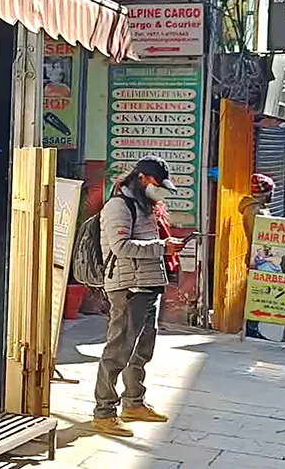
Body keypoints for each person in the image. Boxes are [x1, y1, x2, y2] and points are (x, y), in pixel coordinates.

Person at [92, 156, 183, 438]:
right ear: (142, 178)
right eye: (158, 183)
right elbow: (120, 246)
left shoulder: (145, 206)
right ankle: (104, 411)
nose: (160, 190)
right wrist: (161, 247)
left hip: (148, 285)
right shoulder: (119, 206)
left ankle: (134, 402)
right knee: (118, 349)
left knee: (141, 350)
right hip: (127, 287)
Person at [242, 174, 275, 339]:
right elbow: (259, 237)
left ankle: (253, 326)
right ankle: (251, 328)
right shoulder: (256, 211)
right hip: (258, 259)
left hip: (260, 258)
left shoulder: (258, 209)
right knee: (257, 293)